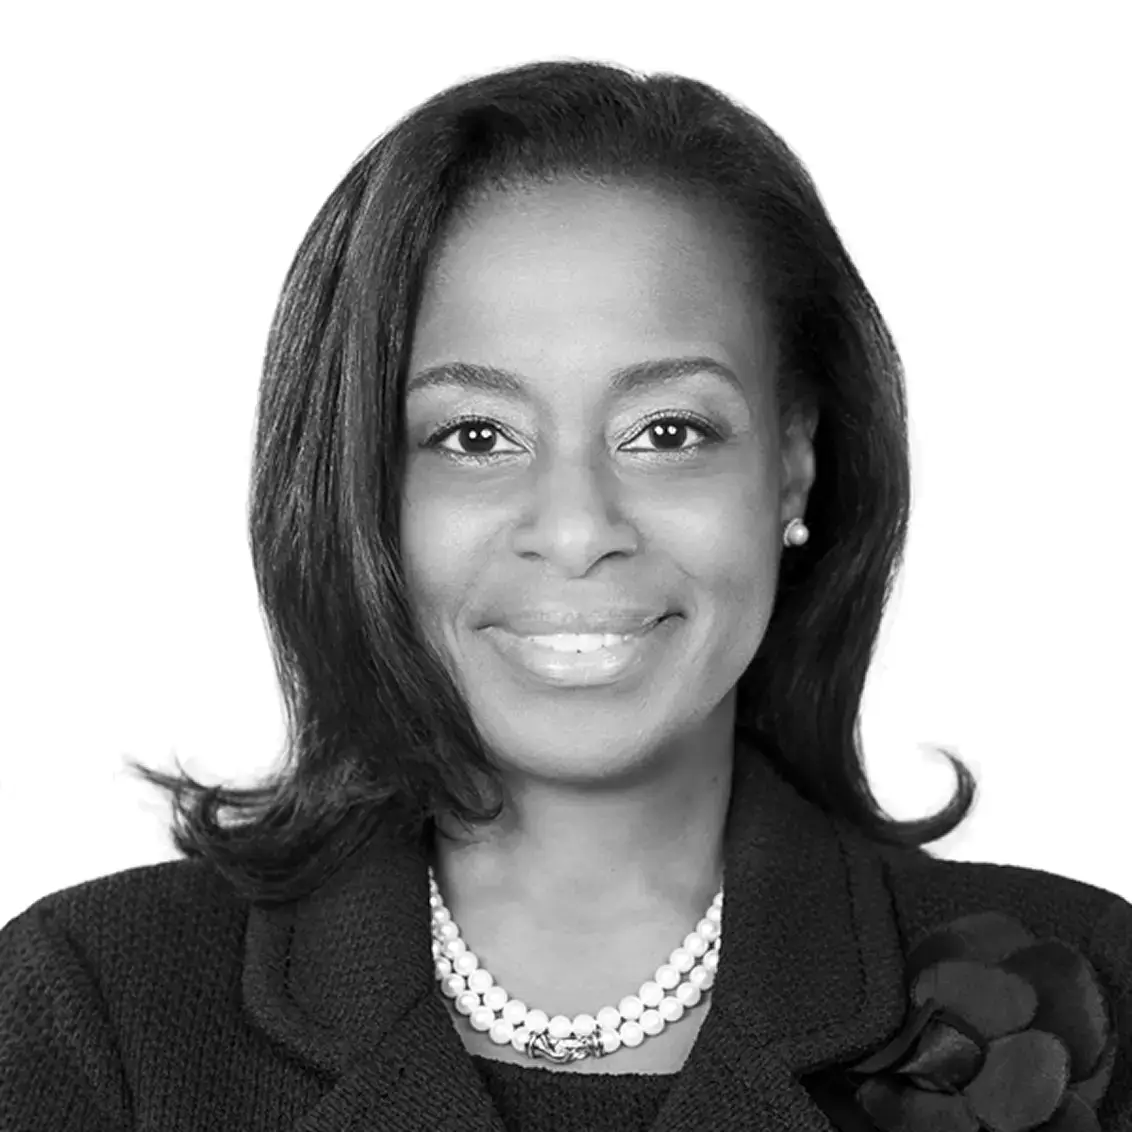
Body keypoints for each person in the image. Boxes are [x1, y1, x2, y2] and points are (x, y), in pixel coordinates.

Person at [2, 58, 1128, 1132]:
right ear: (359, 482)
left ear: (792, 466)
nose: (580, 529)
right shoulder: (98, 1010)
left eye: (668, 431)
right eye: (475, 436)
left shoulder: (1101, 981)